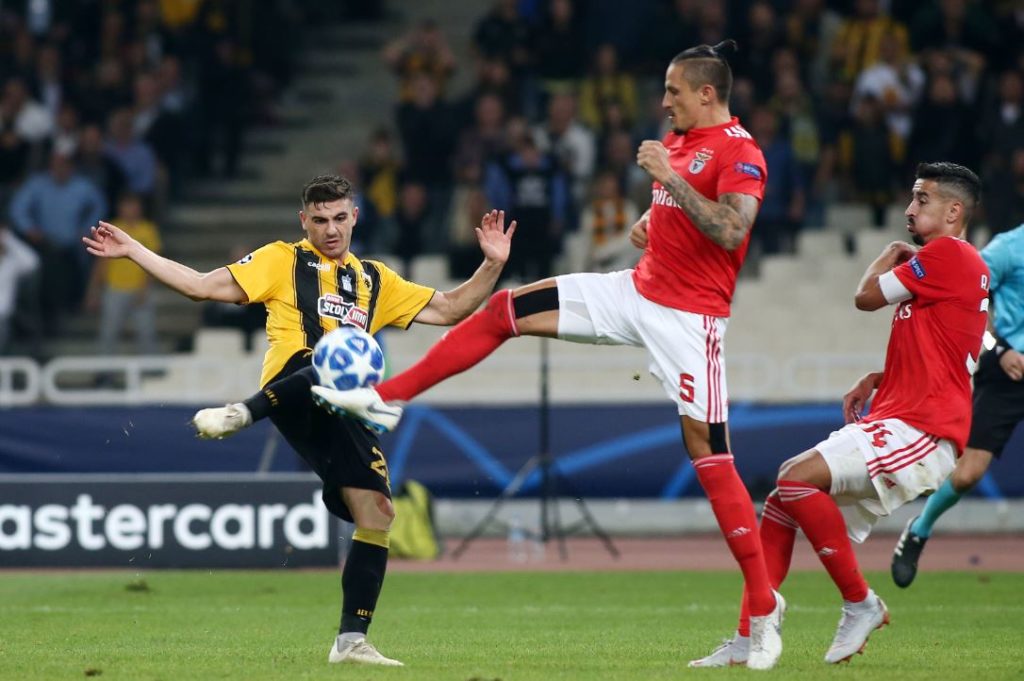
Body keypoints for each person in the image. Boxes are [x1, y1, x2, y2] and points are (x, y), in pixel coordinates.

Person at [318, 41, 786, 670]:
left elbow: (732, 230)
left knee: (708, 453)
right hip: (636, 291)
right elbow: (687, 219)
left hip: (690, 319)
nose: (664, 101)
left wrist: (671, 181)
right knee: (504, 311)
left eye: (674, 90)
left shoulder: (740, 150)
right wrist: (655, 223)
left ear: (707, 93)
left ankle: (763, 610)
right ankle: (384, 397)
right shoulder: (676, 141)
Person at [82, 175, 515, 667]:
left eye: (340, 218)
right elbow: (201, 286)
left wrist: (492, 264)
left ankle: (350, 642)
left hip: (342, 402)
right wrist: (135, 250)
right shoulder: (281, 260)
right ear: (303, 221)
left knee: (377, 513)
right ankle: (242, 412)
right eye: (320, 220)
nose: (331, 229)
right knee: (330, 356)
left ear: (355, 217)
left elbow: (452, 309)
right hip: (291, 384)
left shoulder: (376, 280)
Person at [695, 162, 989, 666]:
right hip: (902, 414)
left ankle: (860, 602)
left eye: (922, 199)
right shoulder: (955, 266)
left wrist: (886, 255)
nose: (909, 209)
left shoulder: (948, 254)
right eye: (911, 197)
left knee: (794, 478)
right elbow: (958, 350)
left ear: (953, 211)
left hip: (923, 427)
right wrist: (883, 377)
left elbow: (865, 298)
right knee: (782, 503)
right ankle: (749, 637)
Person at [891, 221, 1024, 587]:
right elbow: (967, 302)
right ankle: (919, 529)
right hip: (1009, 371)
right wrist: (999, 349)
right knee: (967, 474)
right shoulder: (1008, 248)